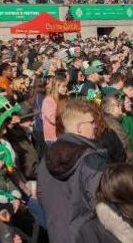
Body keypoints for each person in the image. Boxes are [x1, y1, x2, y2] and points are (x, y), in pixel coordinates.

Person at [36, 98, 109, 242]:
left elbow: (41, 196)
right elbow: (105, 204)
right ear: (79, 127)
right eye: (92, 122)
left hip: (58, 235)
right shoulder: (91, 160)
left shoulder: (45, 160)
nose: (95, 126)